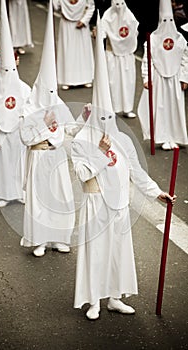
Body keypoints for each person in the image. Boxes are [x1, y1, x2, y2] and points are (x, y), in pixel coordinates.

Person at [71, 13, 176, 320]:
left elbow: (135, 170)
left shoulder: (123, 141)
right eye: (101, 119)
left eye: (110, 118)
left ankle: (115, 297)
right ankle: (93, 300)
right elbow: (82, 174)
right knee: (97, 252)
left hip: (118, 203)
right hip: (95, 203)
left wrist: (157, 193)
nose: (107, 126)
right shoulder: (81, 140)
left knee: (118, 252)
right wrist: (100, 154)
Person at [19, 0, 78, 257]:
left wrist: (85, 121)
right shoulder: (29, 106)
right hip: (38, 157)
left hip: (56, 158)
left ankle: (59, 238)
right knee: (40, 199)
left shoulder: (58, 102)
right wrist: (41, 127)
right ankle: (41, 239)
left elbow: (71, 128)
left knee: (60, 198)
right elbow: (23, 135)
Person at [0, 0, 31, 208]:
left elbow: (29, 110)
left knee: (19, 164)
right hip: (2, 132)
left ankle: (19, 191)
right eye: (6, 71)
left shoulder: (24, 89)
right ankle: (2, 193)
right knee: (2, 164)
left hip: (18, 132)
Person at [137, 0, 188, 151]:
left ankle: (175, 137)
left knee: (174, 107)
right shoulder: (153, 39)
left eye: (170, 20)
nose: (167, 23)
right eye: (165, 20)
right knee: (160, 107)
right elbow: (147, 59)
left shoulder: (180, 39)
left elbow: (185, 58)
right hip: (159, 77)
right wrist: (147, 78)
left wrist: (185, 77)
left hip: (175, 78)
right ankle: (162, 137)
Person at [101, 0, 139, 118]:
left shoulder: (129, 15)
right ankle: (113, 108)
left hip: (127, 55)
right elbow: (102, 30)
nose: (119, 7)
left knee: (128, 82)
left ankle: (127, 108)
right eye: (117, 4)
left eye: (122, 4)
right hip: (112, 54)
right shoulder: (107, 16)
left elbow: (135, 28)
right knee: (113, 82)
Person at [53, 0, 95, 90]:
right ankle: (67, 80)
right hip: (66, 24)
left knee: (82, 52)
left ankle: (85, 78)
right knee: (67, 51)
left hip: (81, 25)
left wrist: (84, 21)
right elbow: (55, 7)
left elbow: (91, 6)